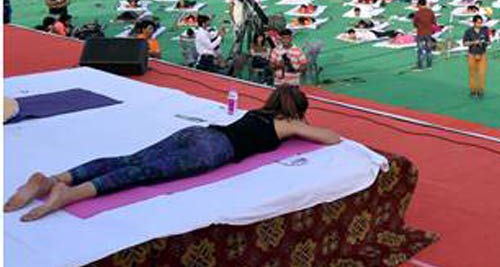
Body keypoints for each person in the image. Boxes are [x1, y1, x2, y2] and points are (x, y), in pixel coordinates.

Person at [3, 86, 342, 221]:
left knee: (130, 159)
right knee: (143, 173)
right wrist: (301, 124)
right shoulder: (288, 125)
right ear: (297, 110)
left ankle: (51, 179)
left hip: (199, 132)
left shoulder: (258, 114)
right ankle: (69, 194)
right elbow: (332, 138)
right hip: (214, 149)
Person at [463, 15, 491, 98]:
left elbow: (489, 41)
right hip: (472, 54)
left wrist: (485, 43)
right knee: (472, 73)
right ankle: (473, 90)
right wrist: (474, 42)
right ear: (474, 22)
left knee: (482, 73)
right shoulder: (468, 31)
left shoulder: (484, 30)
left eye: (481, 22)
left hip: (482, 54)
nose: (480, 24)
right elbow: (465, 43)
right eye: (478, 22)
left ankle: (480, 90)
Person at [413, 0, 437, 70]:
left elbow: (415, 24)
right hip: (428, 32)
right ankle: (429, 65)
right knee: (429, 50)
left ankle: (420, 66)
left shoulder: (418, 13)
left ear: (419, 5)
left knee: (420, 50)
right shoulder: (430, 12)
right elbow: (434, 21)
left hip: (420, 32)